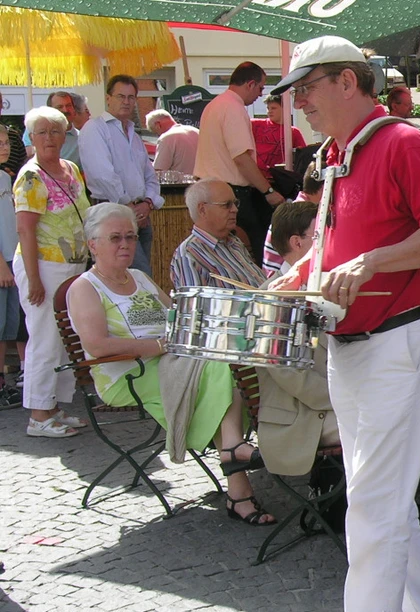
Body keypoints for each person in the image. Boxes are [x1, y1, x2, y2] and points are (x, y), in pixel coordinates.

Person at [269, 35, 420, 610]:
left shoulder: (402, 143)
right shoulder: (336, 154)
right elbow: (336, 244)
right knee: (379, 497)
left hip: (393, 341)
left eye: (304, 89)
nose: (298, 103)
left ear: (347, 82)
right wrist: (301, 271)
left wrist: (370, 261)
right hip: (351, 344)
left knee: (374, 504)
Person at [258, 201, 420, 576]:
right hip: (307, 414)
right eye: (321, 237)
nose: (331, 245)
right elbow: (290, 377)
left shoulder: (325, 283)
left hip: (348, 397)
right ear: (297, 243)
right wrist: (359, 393)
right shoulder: (278, 293)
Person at [68, 202, 274, 524]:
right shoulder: (85, 287)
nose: (125, 244)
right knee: (216, 370)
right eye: (115, 238)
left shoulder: (139, 277)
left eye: (131, 237)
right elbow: (95, 345)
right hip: (127, 373)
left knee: (223, 362)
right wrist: (157, 346)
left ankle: (237, 481)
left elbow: (178, 315)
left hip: (171, 360)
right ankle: (235, 454)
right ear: (93, 244)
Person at [13, 107, 91, 438]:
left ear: (64, 135)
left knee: (63, 339)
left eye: (55, 131)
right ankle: (38, 414)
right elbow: (25, 230)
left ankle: (55, 405)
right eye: (41, 132)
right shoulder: (30, 176)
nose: (49, 138)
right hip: (43, 265)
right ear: (31, 137)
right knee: (45, 339)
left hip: (70, 265)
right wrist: (33, 279)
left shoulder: (70, 168)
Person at [194, 62, 284, 265]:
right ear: (250, 84)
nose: (260, 95)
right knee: (258, 248)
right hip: (230, 192)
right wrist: (268, 192)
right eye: (261, 88)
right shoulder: (233, 108)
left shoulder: (215, 105)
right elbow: (241, 158)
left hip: (210, 189)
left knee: (220, 253)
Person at [79, 74, 163, 275]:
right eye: (120, 96)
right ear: (108, 98)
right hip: (110, 213)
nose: (126, 102)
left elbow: (149, 175)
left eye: (131, 97)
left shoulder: (133, 132)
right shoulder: (94, 129)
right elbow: (102, 175)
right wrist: (129, 209)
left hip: (140, 214)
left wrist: (148, 202)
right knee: (135, 276)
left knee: (138, 278)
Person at [170, 179, 267, 290]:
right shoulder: (189, 255)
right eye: (227, 205)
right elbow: (194, 305)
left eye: (235, 203)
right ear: (202, 210)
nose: (235, 210)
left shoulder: (234, 243)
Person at [0, 117, 26, 401]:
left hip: (10, 257)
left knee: (8, 325)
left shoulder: (6, 176)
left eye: (6, 142)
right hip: (1, 261)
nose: (4, 147)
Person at [251, 94, 308, 182]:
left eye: (273, 108)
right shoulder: (256, 125)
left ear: (284, 109)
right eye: (268, 108)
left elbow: (302, 155)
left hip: (278, 179)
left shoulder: (293, 132)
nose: (269, 111)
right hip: (255, 178)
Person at [21, 92, 81, 166]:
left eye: (68, 105)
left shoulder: (82, 138)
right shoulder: (35, 131)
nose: (65, 110)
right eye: (60, 107)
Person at [147, 109, 200, 174]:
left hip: (181, 182)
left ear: (158, 125)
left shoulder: (166, 138)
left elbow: (159, 170)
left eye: (156, 132)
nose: (158, 135)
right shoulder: (196, 131)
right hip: (204, 181)